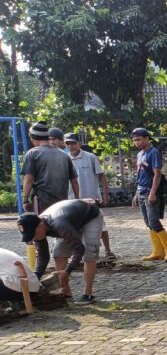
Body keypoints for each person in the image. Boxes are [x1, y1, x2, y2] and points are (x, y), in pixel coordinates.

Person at [22, 121, 80, 279]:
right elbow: (74, 181)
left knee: (38, 238)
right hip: (62, 205)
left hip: (41, 203)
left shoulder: (33, 153)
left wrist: (25, 199)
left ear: (33, 139)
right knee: (62, 236)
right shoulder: (64, 154)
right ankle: (63, 272)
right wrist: (76, 200)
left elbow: (28, 179)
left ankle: (38, 273)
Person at [17, 199, 104, 304]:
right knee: (58, 253)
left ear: (41, 224)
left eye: (34, 234)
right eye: (31, 236)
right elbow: (43, 256)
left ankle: (87, 293)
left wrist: (68, 270)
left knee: (89, 253)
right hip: (70, 222)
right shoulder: (37, 227)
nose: (34, 238)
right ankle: (65, 292)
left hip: (90, 216)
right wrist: (35, 278)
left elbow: (79, 248)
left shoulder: (59, 224)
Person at [65, 133, 116, 260]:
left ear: (79, 143)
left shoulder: (90, 157)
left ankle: (108, 250)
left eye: (73, 143)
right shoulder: (64, 159)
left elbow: (102, 176)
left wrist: (105, 195)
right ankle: (76, 253)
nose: (70, 146)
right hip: (72, 199)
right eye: (67, 143)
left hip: (92, 198)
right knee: (74, 227)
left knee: (101, 225)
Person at [132, 128, 167, 262]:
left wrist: (153, 192)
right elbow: (140, 175)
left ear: (147, 138)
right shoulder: (140, 154)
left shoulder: (154, 152)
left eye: (139, 139)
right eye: (134, 140)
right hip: (141, 191)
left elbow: (157, 174)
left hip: (150, 191)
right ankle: (158, 251)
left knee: (154, 221)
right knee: (148, 222)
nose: (137, 142)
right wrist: (136, 193)